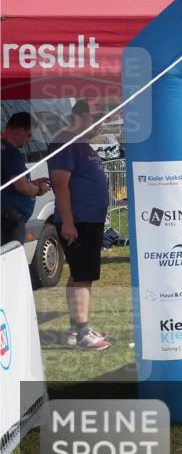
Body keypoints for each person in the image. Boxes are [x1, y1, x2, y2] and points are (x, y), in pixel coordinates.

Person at [48, 100, 111, 351]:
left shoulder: (80, 143)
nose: (99, 124)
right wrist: (69, 222)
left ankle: (78, 328)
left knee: (79, 275)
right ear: (79, 116)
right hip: (79, 220)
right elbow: (60, 184)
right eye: (95, 118)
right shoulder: (65, 141)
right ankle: (83, 333)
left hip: (88, 220)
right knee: (83, 276)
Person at [1, 112, 51, 245]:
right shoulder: (9, 152)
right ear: (19, 131)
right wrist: (39, 189)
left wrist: (31, 183)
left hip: (7, 215)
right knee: (12, 257)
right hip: (9, 218)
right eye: (29, 135)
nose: (30, 140)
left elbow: (11, 182)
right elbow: (22, 186)